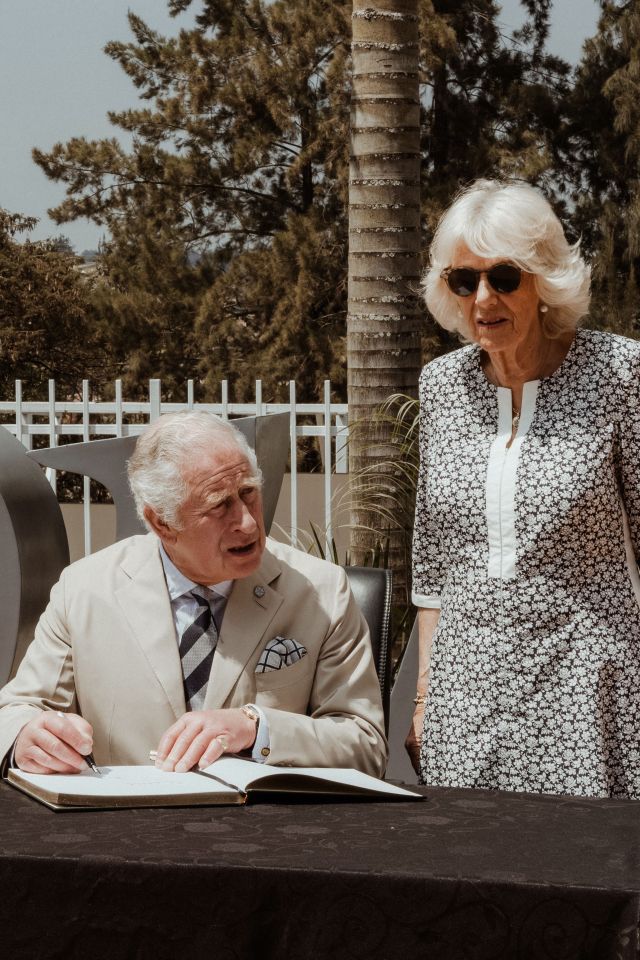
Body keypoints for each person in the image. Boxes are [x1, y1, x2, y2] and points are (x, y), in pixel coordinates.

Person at [406, 178, 640, 798]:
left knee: (586, 877)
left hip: (589, 693)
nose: (483, 297)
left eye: (504, 277)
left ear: (544, 280)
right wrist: (427, 696)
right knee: (467, 876)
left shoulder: (618, 374)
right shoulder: (441, 387)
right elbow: (434, 560)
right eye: (465, 280)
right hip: (467, 696)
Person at [0, 411, 387, 777]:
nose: (249, 522)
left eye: (249, 492)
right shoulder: (84, 590)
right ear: (161, 522)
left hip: (266, 834)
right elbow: (18, 709)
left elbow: (365, 746)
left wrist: (257, 730)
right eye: (220, 506)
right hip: (123, 832)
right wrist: (25, 738)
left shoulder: (322, 590)